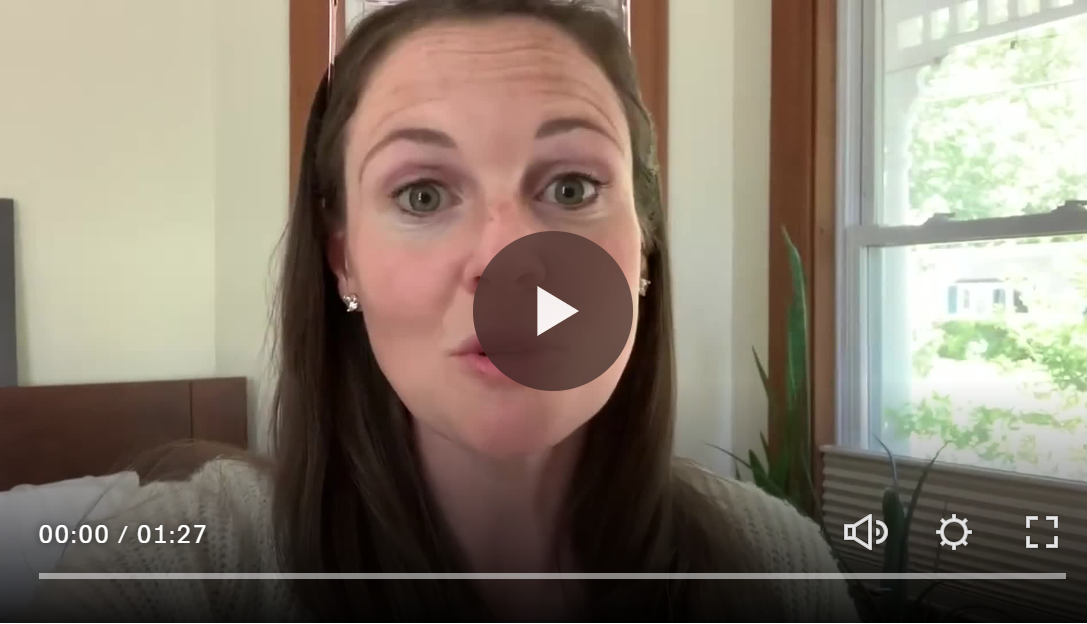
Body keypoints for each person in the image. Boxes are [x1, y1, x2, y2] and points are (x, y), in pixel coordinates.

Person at [30, 0, 856, 620]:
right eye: (422, 194)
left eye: (572, 187)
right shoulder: (176, 571)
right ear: (343, 259)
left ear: (643, 248)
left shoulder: (775, 563)